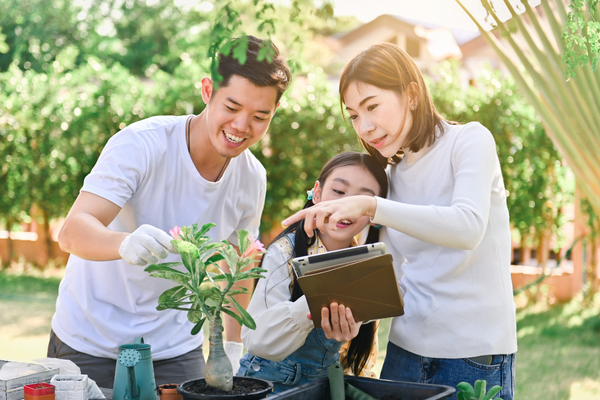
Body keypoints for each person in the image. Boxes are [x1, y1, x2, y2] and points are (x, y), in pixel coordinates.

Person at [50, 35, 291, 388]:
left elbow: (240, 263)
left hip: (177, 350)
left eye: (259, 116)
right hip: (90, 341)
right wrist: (124, 243)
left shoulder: (252, 177)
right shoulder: (142, 144)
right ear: (208, 90)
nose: (242, 126)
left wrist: (234, 343)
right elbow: (73, 231)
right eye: (232, 107)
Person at [282, 43, 517, 399]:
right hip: (406, 354)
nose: (366, 126)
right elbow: (390, 275)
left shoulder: (469, 141)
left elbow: (467, 227)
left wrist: (373, 206)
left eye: (372, 106)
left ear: (411, 94)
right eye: (355, 116)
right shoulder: (392, 172)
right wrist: (350, 317)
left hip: (473, 356)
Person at [237, 152, 387, 394]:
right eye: (338, 192)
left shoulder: (365, 264)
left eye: (361, 199)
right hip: (269, 384)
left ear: (374, 212)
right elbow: (255, 339)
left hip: (325, 386)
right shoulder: (283, 253)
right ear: (316, 193)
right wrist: (313, 303)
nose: (344, 207)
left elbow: (360, 358)